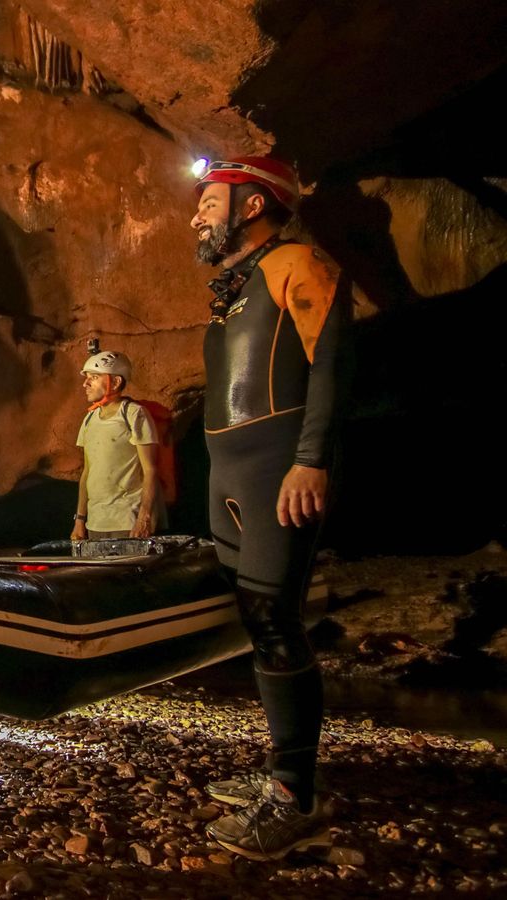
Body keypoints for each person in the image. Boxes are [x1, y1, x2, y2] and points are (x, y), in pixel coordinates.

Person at [188, 156, 351, 860]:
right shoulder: (237, 284)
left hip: (274, 469)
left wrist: (310, 460)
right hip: (231, 472)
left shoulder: (299, 264)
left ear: (251, 204)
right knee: (258, 621)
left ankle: (296, 796)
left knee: (276, 622)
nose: (196, 215)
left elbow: (333, 364)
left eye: (208, 202)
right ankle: (285, 769)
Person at [71, 348, 161, 541]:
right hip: (95, 524)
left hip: (128, 522)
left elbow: (150, 470)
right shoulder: (89, 419)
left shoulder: (134, 414)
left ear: (116, 381)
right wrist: (80, 520)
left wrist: (143, 518)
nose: (86, 383)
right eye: (87, 378)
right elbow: (87, 473)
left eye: (94, 377)